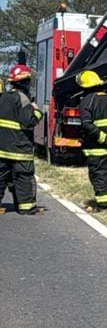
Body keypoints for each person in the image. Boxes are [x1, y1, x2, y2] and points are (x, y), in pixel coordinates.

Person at [77, 70, 107, 209]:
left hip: (97, 149)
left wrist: (105, 139)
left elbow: (87, 125)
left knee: (99, 175)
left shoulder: (87, 102)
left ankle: (104, 204)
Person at [0, 64, 43, 215]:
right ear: (25, 82)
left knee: (1, 177)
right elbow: (28, 122)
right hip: (19, 149)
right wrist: (37, 112)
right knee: (23, 178)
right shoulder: (23, 99)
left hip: (2, 148)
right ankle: (27, 208)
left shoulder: (3, 97)